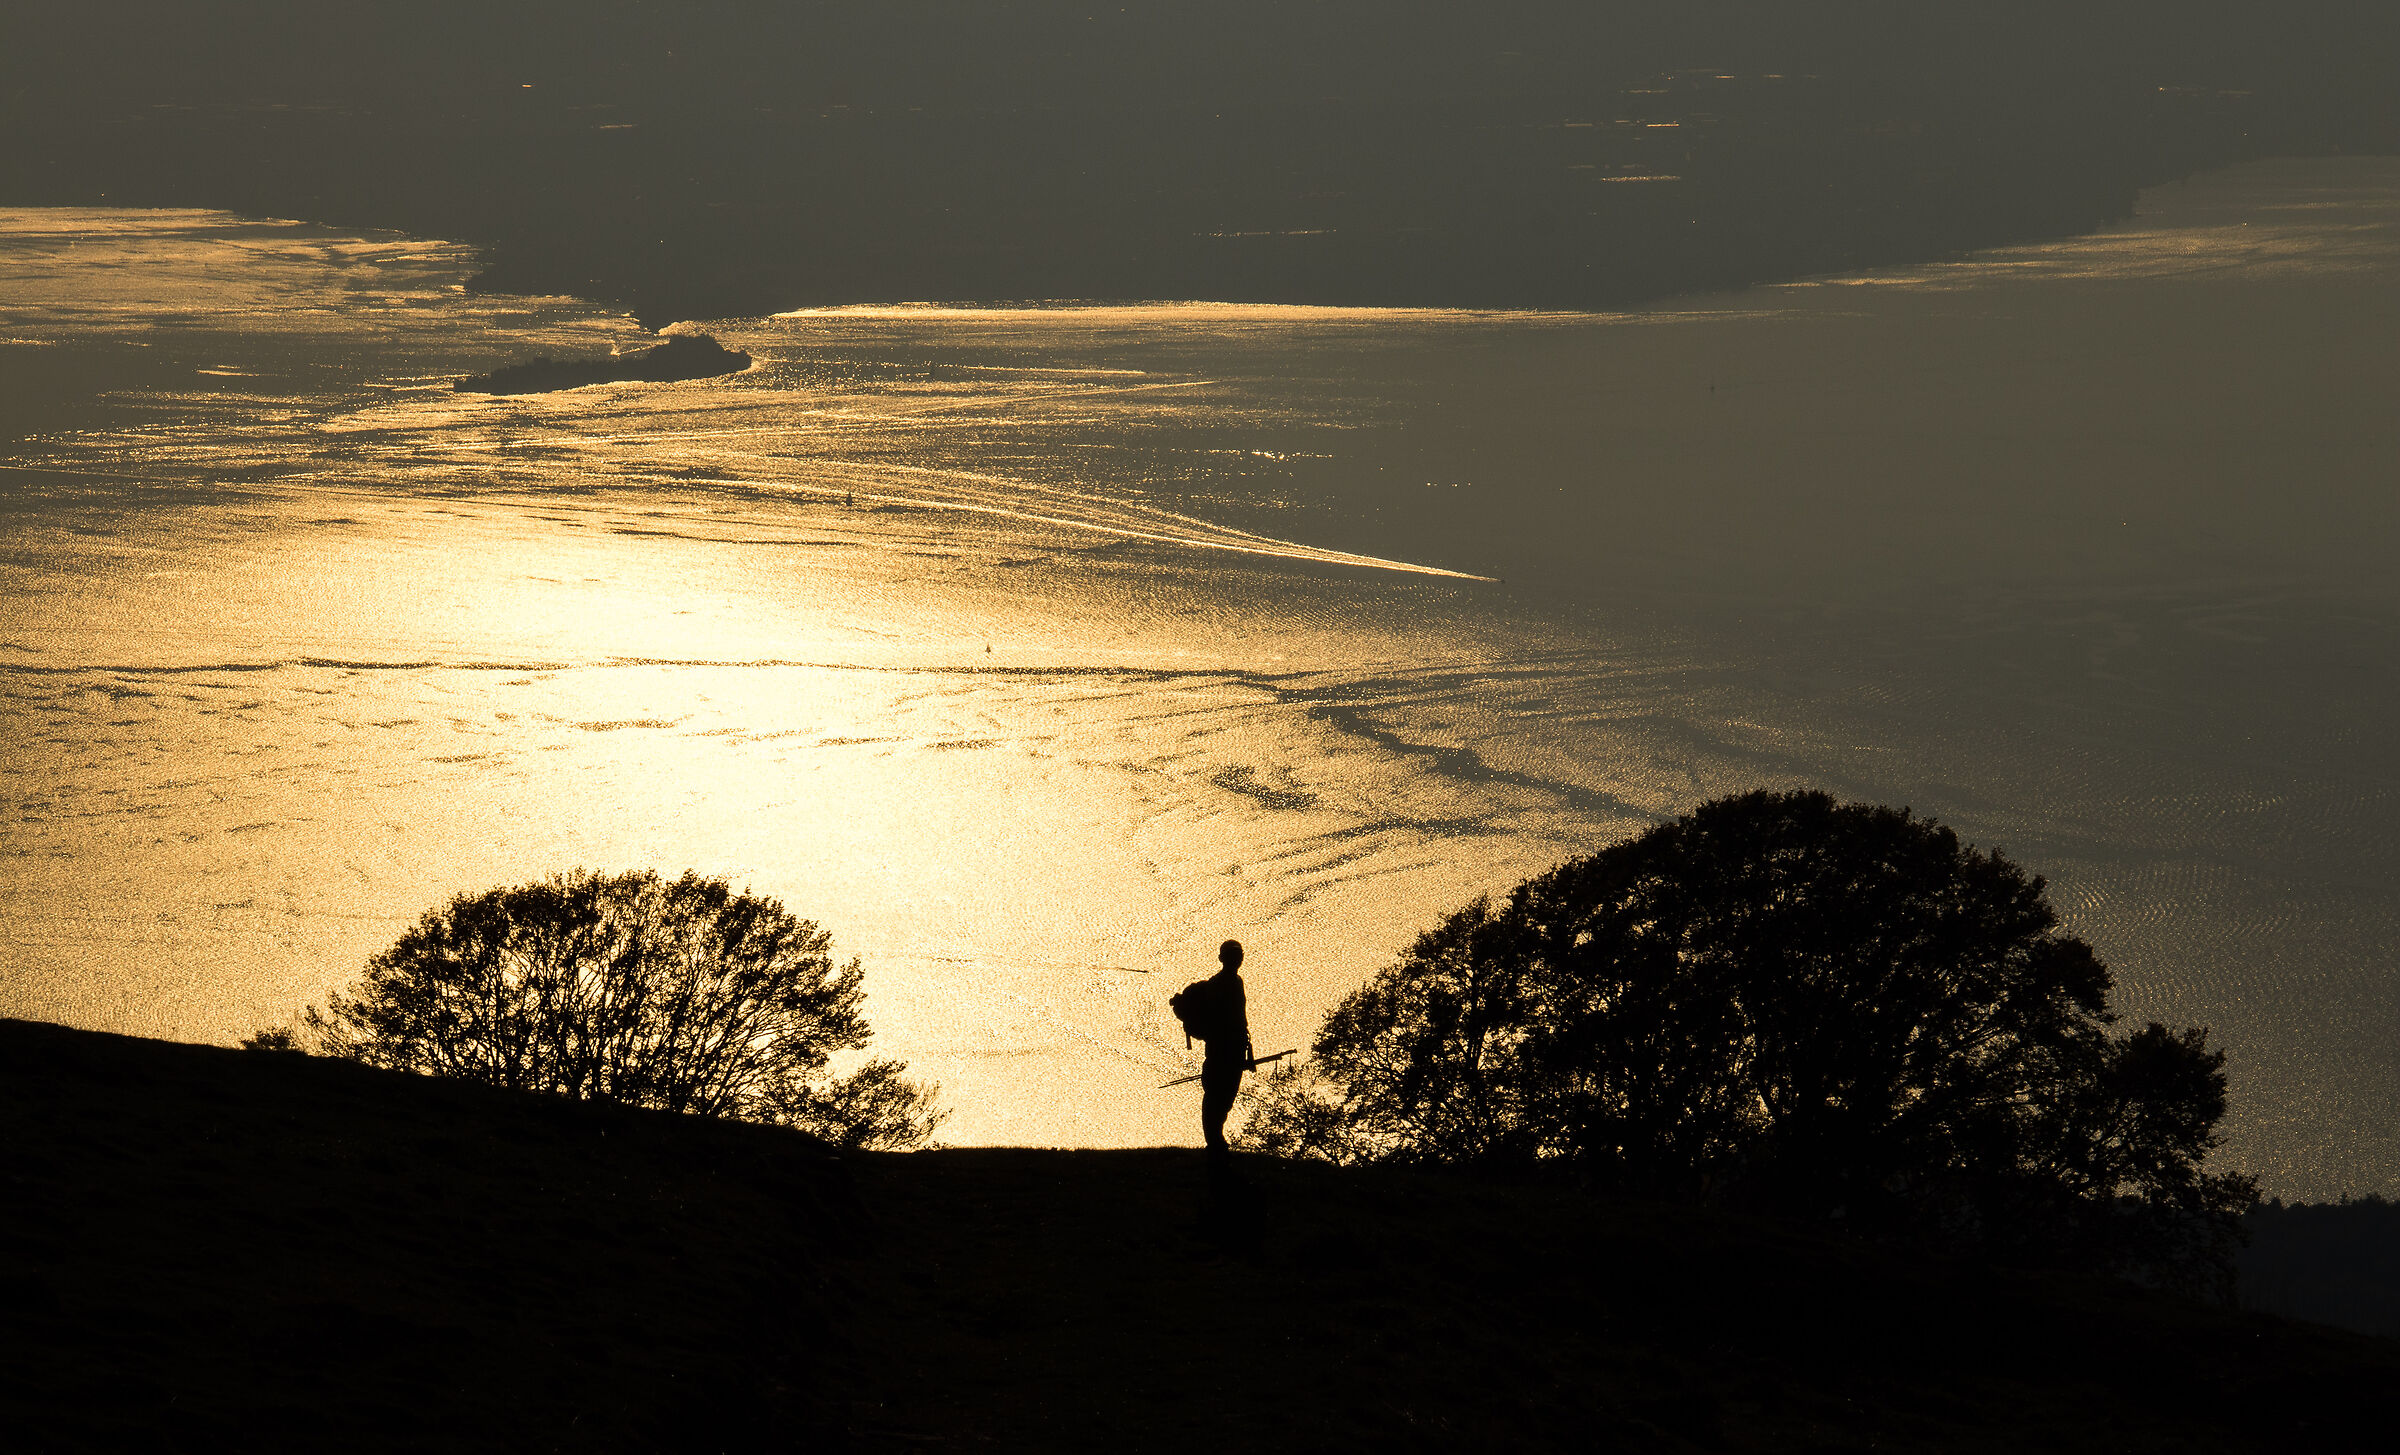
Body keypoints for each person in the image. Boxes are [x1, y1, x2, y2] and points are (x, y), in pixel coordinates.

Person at [1198, 939, 1253, 1170]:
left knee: (1226, 1096)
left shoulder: (1237, 981)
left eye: (1238, 955)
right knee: (1216, 1096)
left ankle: (1216, 1142)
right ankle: (1214, 1143)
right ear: (1222, 959)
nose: (1236, 959)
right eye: (1232, 956)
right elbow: (1219, 1019)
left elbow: (1240, 1018)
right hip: (1221, 1049)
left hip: (1235, 1049)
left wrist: (1245, 1050)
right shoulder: (1217, 983)